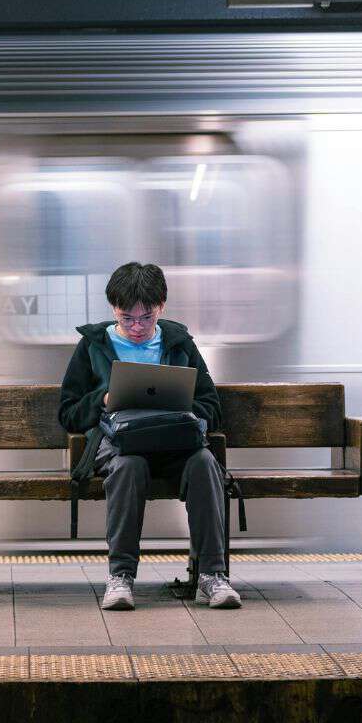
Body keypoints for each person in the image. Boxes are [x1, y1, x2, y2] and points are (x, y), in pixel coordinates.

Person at [56, 261, 238, 611]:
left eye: (147, 317)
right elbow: (68, 413)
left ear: (162, 307)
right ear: (114, 310)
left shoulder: (179, 343)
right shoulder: (93, 346)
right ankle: (120, 577)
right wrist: (104, 399)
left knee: (204, 463)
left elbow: (211, 404)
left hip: (176, 444)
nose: (137, 327)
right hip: (120, 445)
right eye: (127, 318)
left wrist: (183, 408)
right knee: (128, 467)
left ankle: (212, 576)